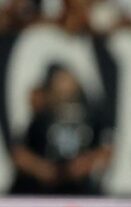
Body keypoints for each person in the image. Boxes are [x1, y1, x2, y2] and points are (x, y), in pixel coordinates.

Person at [11, 65, 112, 195]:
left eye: (67, 80)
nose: (64, 86)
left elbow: (106, 149)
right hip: (40, 191)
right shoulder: (39, 114)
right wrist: (41, 169)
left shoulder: (91, 115)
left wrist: (84, 164)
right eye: (60, 81)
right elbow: (19, 152)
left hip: (81, 190)